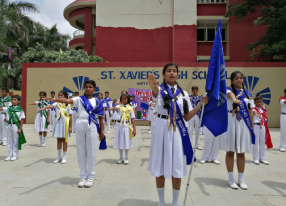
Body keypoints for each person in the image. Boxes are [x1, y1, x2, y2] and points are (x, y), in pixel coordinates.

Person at [147, 63, 208, 206]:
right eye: (169, 71)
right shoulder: (159, 90)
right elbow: (155, 90)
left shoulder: (184, 94)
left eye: (174, 71)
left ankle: (175, 202)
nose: (172, 73)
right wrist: (152, 84)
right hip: (161, 130)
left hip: (177, 132)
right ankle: (161, 201)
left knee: (177, 166)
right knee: (160, 166)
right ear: (164, 75)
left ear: (178, 74)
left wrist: (199, 105)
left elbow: (186, 117)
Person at [43, 80, 105, 188]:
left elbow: (101, 118)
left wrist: (102, 132)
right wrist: (54, 99)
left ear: (94, 89)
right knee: (81, 150)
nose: (88, 89)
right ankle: (83, 176)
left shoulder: (98, 101)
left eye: (90, 87)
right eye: (86, 87)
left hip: (92, 124)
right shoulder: (79, 99)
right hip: (80, 123)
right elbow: (67, 100)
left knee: (91, 150)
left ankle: (90, 176)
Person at [220, 71, 255, 190]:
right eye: (236, 78)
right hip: (231, 120)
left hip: (243, 123)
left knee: (241, 152)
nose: (239, 80)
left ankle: (241, 179)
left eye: (241, 78)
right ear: (232, 81)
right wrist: (234, 100)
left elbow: (250, 111)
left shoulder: (247, 93)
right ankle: (231, 179)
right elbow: (230, 95)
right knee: (230, 151)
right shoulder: (228, 89)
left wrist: (252, 128)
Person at [39, 90, 72, 164]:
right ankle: (58, 157)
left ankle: (64, 157)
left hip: (65, 123)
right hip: (58, 123)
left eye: (61, 95)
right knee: (59, 140)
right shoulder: (57, 104)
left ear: (65, 96)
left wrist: (70, 127)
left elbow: (70, 117)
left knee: (65, 140)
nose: (59, 97)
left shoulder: (68, 105)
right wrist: (45, 108)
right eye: (59, 95)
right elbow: (51, 106)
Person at [108, 94, 136, 165]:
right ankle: (120, 158)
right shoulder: (119, 106)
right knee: (120, 142)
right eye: (122, 99)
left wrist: (134, 128)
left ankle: (126, 158)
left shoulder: (130, 108)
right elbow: (115, 108)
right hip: (119, 126)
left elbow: (132, 119)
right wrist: (110, 108)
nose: (123, 100)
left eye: (125, 99)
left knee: (126, 142)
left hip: (126, 126)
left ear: (128, 100)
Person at [0, 95, 26, 161]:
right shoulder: (8, 108)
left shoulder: (20, 110)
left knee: (15, 140)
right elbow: (1, 108)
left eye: (14, 99)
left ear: (18, 101)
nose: (12, 101)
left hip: (15, 126)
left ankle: (15, 155)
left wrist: (20, 129)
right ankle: (9, 155)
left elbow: (21, 120)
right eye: (12, 99)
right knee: (9, 140)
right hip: (9, 125)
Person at [252, 95, 272, 165]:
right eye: (258, 102)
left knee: (262, 142)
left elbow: (265, 116)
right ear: (255, 102)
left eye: (261, 102)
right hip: (256, 126)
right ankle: (255, 158)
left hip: (262, 126)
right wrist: (257, 114)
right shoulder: (253, 108)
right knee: (256, 142)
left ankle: (262, 158)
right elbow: (254, 113)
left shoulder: (263, 109)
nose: (259, 103)